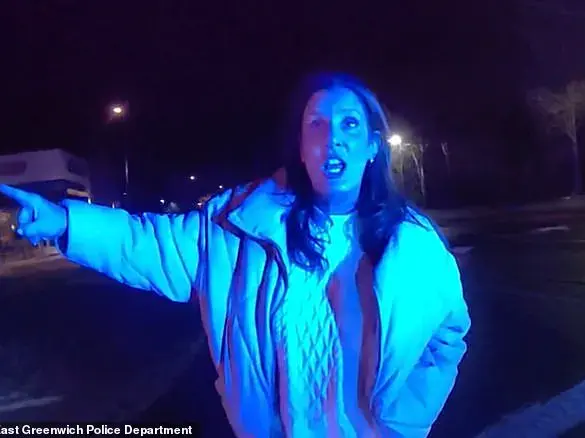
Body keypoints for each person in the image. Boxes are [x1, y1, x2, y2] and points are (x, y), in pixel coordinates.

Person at [0, 72, 470, 437]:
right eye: (317, 124)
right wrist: (65, 221)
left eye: (350, 124)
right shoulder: (236, 227)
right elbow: (147, 242)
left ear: (371, 147)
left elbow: (448, 336)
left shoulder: (414, 248)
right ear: (301, 147)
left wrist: (403, 424)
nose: (333, 137)